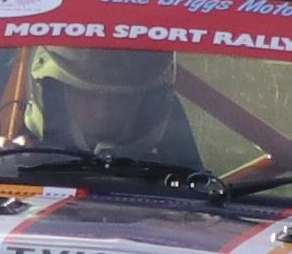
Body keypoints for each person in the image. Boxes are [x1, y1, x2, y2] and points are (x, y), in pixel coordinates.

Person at [17, 45, 202, 170]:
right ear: (55, 92)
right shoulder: (16, 160)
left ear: (146, 101)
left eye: (121, 99)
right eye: (87, 95)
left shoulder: (184, 183)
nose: (102, 113)